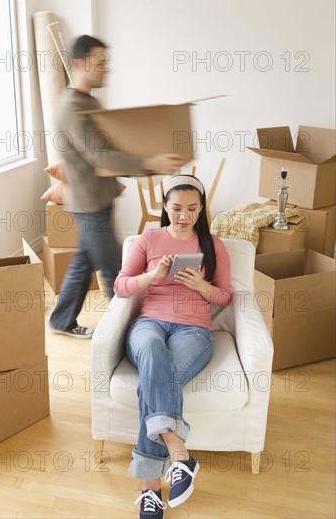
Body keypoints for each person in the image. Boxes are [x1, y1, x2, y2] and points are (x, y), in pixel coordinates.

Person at [114, 174, 233, 518]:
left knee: (153, 385)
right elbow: (121, 287)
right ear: (164, 206)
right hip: (150, 322)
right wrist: (152, 277)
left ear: (201, 209)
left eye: (192, 209)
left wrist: (201, 285)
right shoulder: (147, 239)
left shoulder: (213, 244)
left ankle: (150, 490)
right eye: (177, 208)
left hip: (194, 329)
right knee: (152, 351)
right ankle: (179, 455)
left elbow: (225, 297)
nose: (184, 215)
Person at [49, 35, 183, 338]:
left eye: (106, 62)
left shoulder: (88, 101)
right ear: (79, 64)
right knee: (114, 270)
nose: (105, 69)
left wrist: (146, 161)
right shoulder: (73, 107)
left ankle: (60, 320)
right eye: (99, 63)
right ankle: (128, 333)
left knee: (84, 263)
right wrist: (150, 163)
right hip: (89, 202)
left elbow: (108, 146)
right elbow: (98, 156)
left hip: (96, 198)